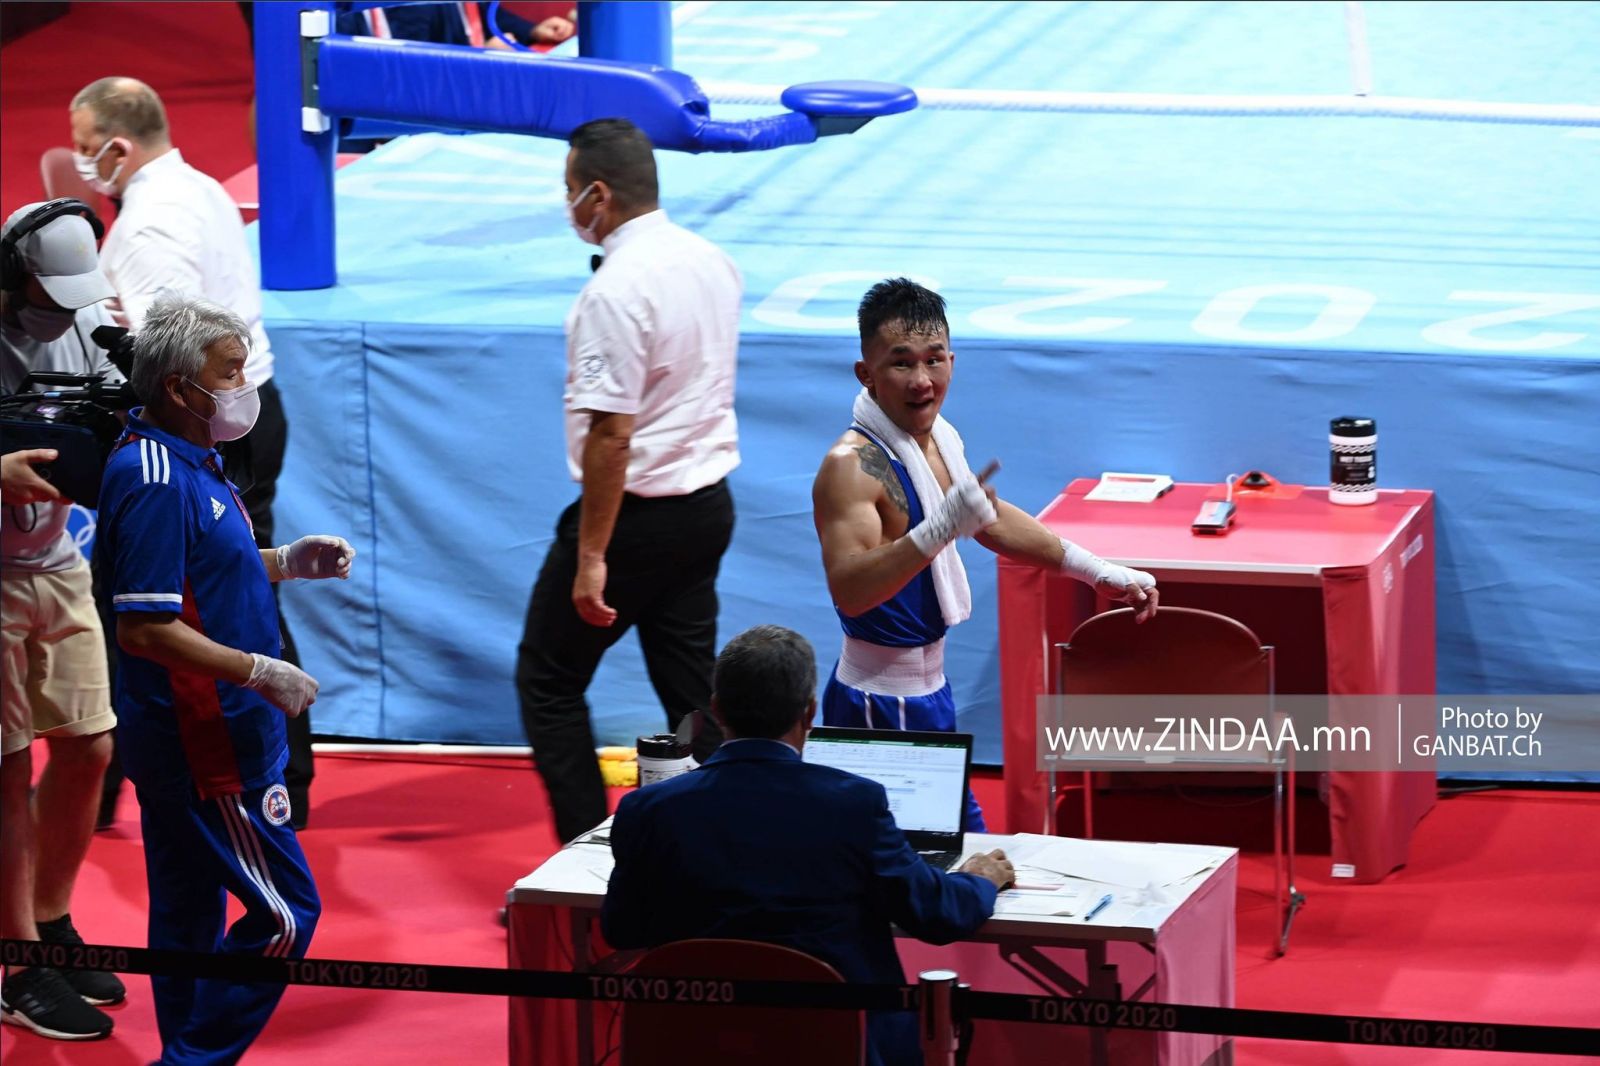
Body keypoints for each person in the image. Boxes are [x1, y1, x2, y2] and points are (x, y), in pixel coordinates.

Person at [98, 292, 354, 1065]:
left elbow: (196, 576)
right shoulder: (153, 477)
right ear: (180, 386)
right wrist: (259, 671)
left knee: (187, 916)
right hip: (207, 742)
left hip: (200, 735)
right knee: (286, 915)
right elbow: (144, 626)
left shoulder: (189, 457)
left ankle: (183, 1052)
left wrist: (284, 564)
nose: (246, 384)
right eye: (231, 370)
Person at [812, 279, 1159, 831]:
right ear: (866, 373)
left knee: (948, 857)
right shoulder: (853, 466)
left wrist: (1096, 570)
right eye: (901, 363)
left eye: (934, 360)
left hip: (928, 693)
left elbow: (986, 520)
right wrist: (940, 527)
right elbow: (851, 590)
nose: (922, 380)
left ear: (952, 361)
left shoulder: (938, 438)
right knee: (933, 860)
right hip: (879, 703)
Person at [68, 76, 317, 827]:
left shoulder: (149, 229)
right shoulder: (202, 188)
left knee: (155, 593)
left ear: (118, 146)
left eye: (86, 148)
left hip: (203, 428)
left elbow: (168, 367)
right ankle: (286, 774)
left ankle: (123, 775)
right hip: (250, 408)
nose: (81, 161)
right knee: (241, 580)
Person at [603, 625, 1014, 1066]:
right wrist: (979, 880)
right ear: (809, 712)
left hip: (691, 1044)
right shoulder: (854, 804)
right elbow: (936, 914)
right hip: (838, 1044)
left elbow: (623, 930)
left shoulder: (648, 809)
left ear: (717, 709)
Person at [516, 118, 741, 844]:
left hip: (635, 520)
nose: (567, 204)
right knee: (694, 696)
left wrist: (592, 555)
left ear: (599, 194)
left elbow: (613, 435)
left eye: (569, 190)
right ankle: (726, 844)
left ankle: (584, 855)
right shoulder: (711, 260)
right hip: (706, 506)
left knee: (548, 681)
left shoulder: (614, 293)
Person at [1, 201, 125, 1041]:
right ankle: (18, 968)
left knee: (89, 747)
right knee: (8, 770)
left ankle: (50, 922)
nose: (67, 309)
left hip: (56, 563)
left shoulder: (86, 322)